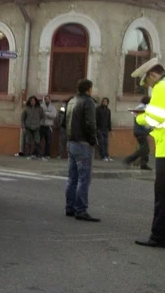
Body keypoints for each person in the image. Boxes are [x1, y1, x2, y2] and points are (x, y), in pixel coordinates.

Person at [131, 58, 165, 248]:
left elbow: (155, 118)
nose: (149, 87)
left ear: (152, 74)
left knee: (164, 195)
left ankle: (159, 236)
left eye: (147, 83)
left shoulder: (163, 87)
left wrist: (140, 116)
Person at [64, 79, 100, 222]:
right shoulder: (88, 102)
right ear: (88, 89)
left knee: (72, 178)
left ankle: (70, 207)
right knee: (84, 179)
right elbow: (91, 123)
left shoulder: (72, 101)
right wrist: (93, 139)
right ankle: (81, 210)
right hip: (83, 143)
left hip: (71, 141)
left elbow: (64, 121)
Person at [122, 96, 152, 170]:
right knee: (144, 148)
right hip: (140, 131)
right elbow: (143, 121)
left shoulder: (141, 107)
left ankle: (143, 164)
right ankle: (129, 159)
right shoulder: (142, 108)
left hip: (140, 131)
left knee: (146, 148)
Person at [95, 97, 113, 161]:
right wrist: (96, 128)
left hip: (105, 129)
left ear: (108, 103)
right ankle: (103, 156)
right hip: (99, 129)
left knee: (106, 143)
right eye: (104, 101)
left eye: (106, 102)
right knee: (101, 142)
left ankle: (107, 155)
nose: (105, 102)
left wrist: (110, 130)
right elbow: (96, 119)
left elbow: (109, 120)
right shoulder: (98, 109)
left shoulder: (108, 110)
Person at [40, 95, 57, 161]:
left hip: (49, 126)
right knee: (39, 140)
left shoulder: (52, 107)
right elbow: (40, 114)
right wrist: (48, 114)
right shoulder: (41, 106)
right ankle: (37, 153)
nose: (47, 100)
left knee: (48, 141)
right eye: (45, 99)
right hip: (41, 125)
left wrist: (46, 113)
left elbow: (54, 115)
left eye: (48, 99)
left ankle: (47, 154)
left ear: (50, 100)